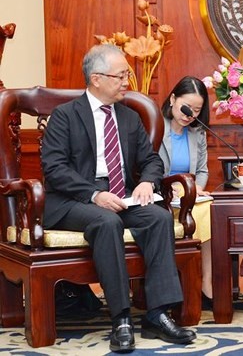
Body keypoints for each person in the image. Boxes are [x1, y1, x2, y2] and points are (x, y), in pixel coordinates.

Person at [41, 44, 196, 352]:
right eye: (121, 75)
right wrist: (94, 194)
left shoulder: (127, 117)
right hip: (75, 200)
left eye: (127, 74)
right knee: (106, 221)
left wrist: (148, 183)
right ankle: (121, 318)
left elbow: (151, 160)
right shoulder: (64, 116)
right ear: (97, 78)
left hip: (122, 195)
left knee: (159, 217)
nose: (127, 81)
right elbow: (54, 169)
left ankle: (157, 314)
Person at [159, 76, 213, 307]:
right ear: (173, 99)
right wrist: (171, 188)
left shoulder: (197, 133)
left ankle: (207, 283)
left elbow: (202, 170)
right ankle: (185, 284)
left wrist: (196, 188)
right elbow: (143, 167)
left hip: (188, 197)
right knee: (203, 214)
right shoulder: (154, 126)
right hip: (160, 197)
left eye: (197, 109)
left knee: (212, 210)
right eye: (186, 106)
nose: (189, 113)